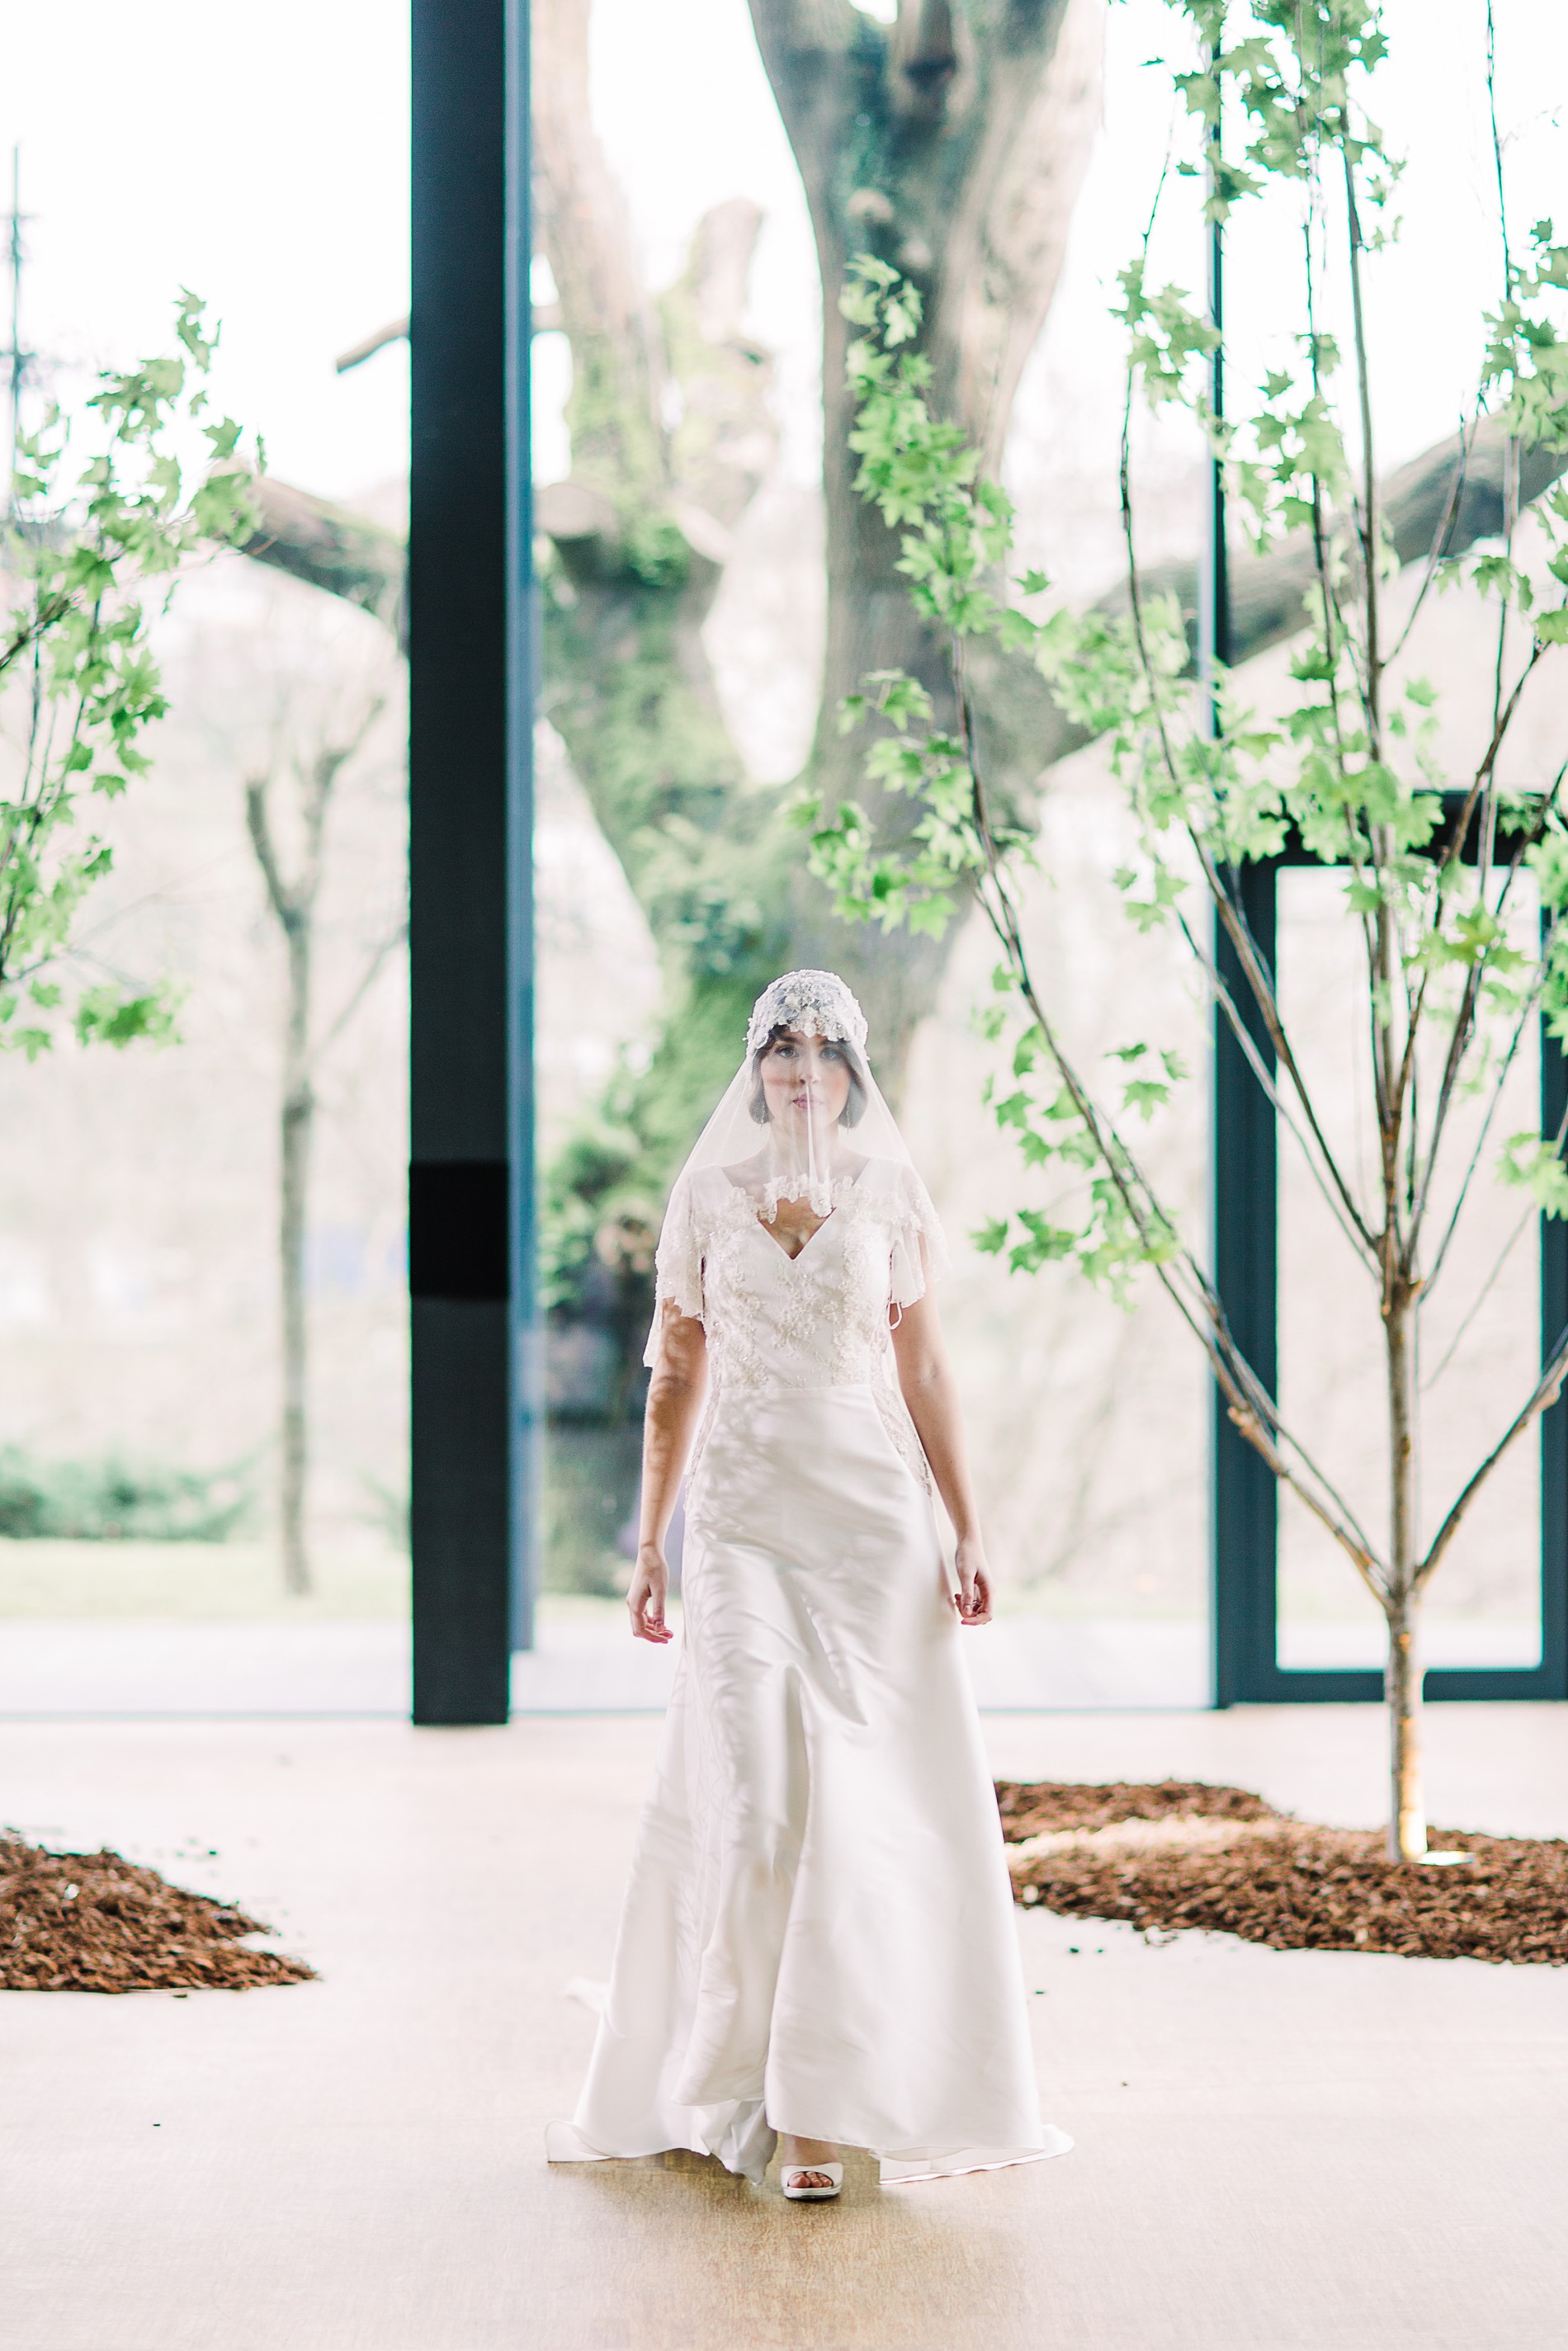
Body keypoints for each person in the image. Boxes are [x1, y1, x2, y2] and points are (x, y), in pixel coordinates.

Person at [546, 970, 1071, 2200]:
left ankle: (826, 2100)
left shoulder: (890, 1193)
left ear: (851, 1076)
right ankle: (752, 2078)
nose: (801, 1070)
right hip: (738, 1518)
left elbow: (927, 1365)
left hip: (872, 1521)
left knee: (868, 1802)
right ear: (759, 1067)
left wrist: (966, 1522)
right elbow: (676, 1373)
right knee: (763, 1794)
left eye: (825, 1052)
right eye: (783, 1049)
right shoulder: (707, 1199)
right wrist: (650, 1540)